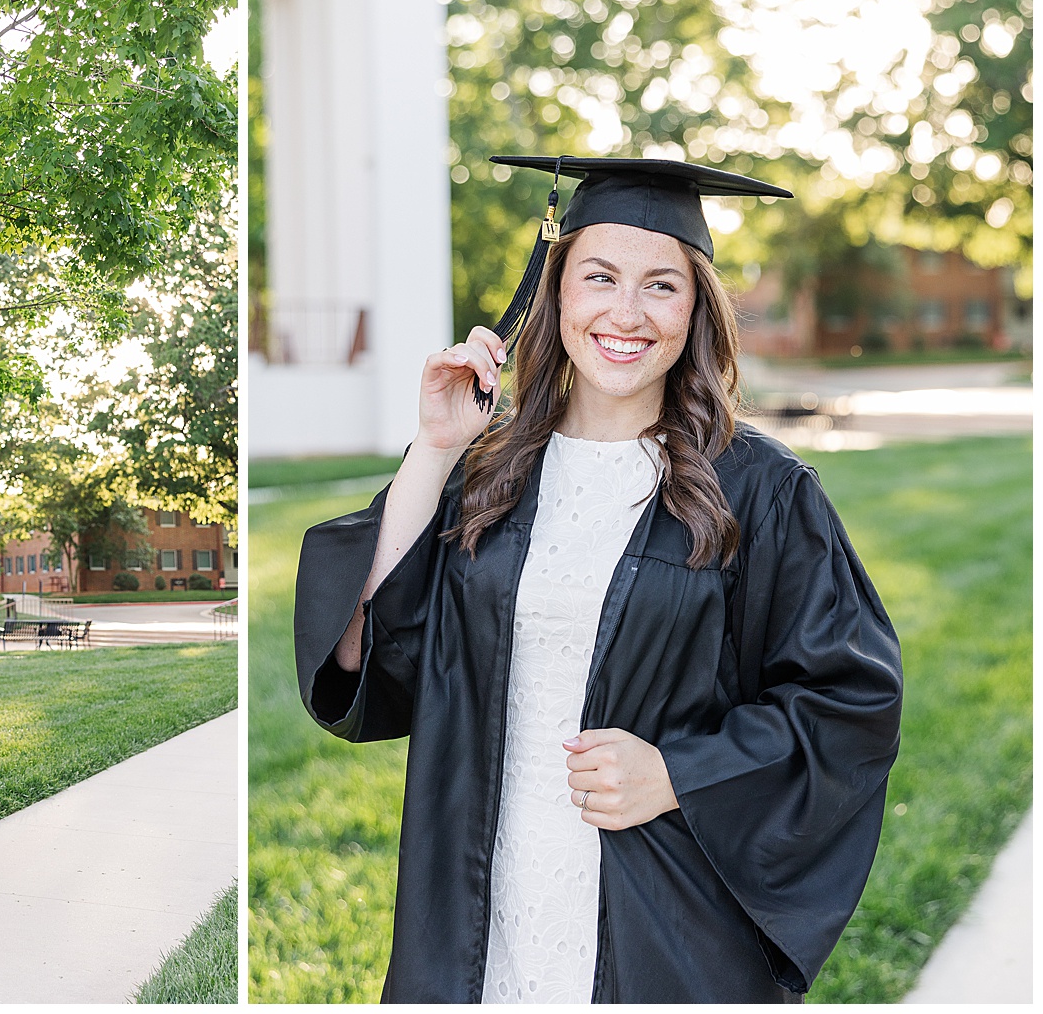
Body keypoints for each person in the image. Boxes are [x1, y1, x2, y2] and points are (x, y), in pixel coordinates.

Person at [293, 157, 903, 1003]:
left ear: (695, 310)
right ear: (556, 292)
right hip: (479, 899)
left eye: (661, 286)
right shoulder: (488, 473)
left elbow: (852, 703)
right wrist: (435, 448)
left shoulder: (759, 488)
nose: (626, 312)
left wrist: (681, 773)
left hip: (662, 912)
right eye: (600, 277)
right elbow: (366, 652)